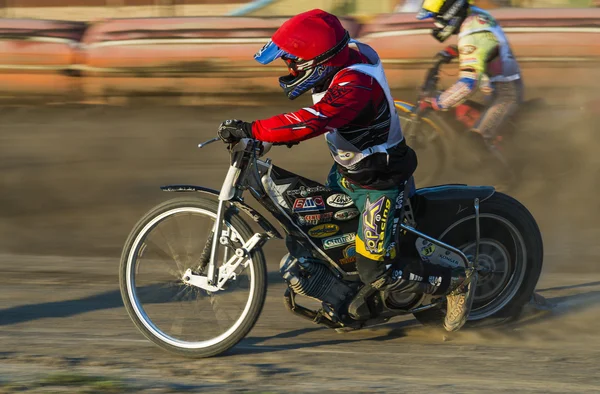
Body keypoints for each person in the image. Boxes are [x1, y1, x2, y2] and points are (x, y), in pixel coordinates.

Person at [216, 9, 477, 332]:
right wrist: (266, 140)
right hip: (347, 172)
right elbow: (316, 113)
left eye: (292, 60)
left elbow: (313, 120)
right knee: (320, 240)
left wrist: (253, 130)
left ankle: (454, 282)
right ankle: (350, 299)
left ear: (320, 62)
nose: (289, 67)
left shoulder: (356, 83)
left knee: (375, 270)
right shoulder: (345, 59)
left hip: (379, 183)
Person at [417, 0, 523, 173]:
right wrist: (456, 50)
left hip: (504, 94)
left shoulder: (472, 35)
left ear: (451, 12)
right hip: (497, 84)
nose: (436, 23)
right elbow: (488, 45)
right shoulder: (475, 15)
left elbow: (468, 85)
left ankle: (508, 184)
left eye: (437, 18)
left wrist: (437, 103)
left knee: (476, 141)